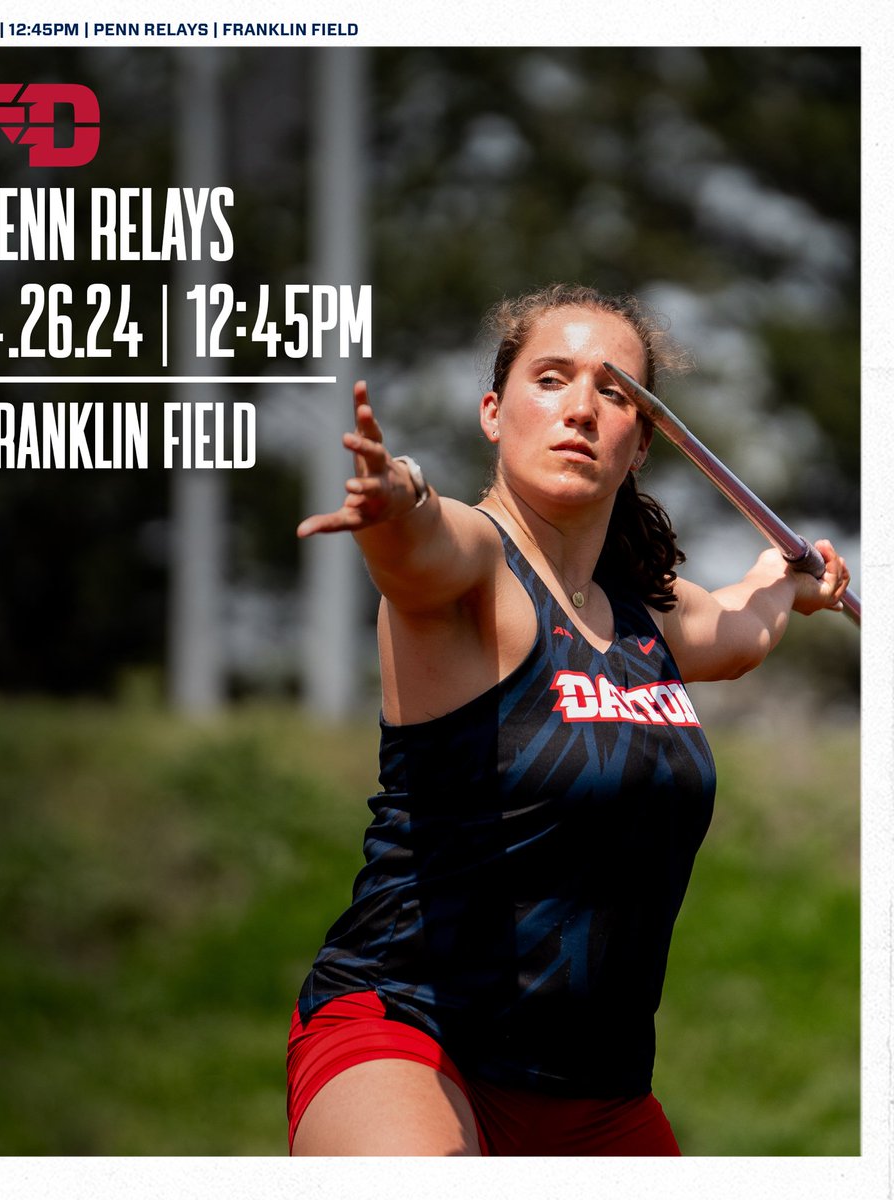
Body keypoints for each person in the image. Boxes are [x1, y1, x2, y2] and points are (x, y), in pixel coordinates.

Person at [286, 283, 850, 1156]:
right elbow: (422, 548)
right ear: (492, 412)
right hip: (414, 1038)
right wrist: (395, 501)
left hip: (599, 1094)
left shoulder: (643, 619)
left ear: (643, 441)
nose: (582, 408)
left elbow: (738, 629)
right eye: (551, 379)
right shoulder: (477, 572)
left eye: (615, 391)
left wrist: (793, 583)